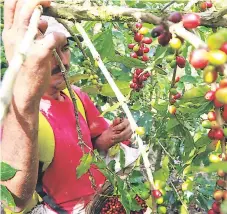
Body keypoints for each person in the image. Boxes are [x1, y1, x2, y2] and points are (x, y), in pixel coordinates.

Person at [1, 0, 133, 213]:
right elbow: (13, 199)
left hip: (102, 201)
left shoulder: (77, 97)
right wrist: (24, 98)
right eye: (51, 52)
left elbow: (92, 142)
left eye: (66, 49)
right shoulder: (16, 113)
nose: (63, 61)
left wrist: (110, 136)